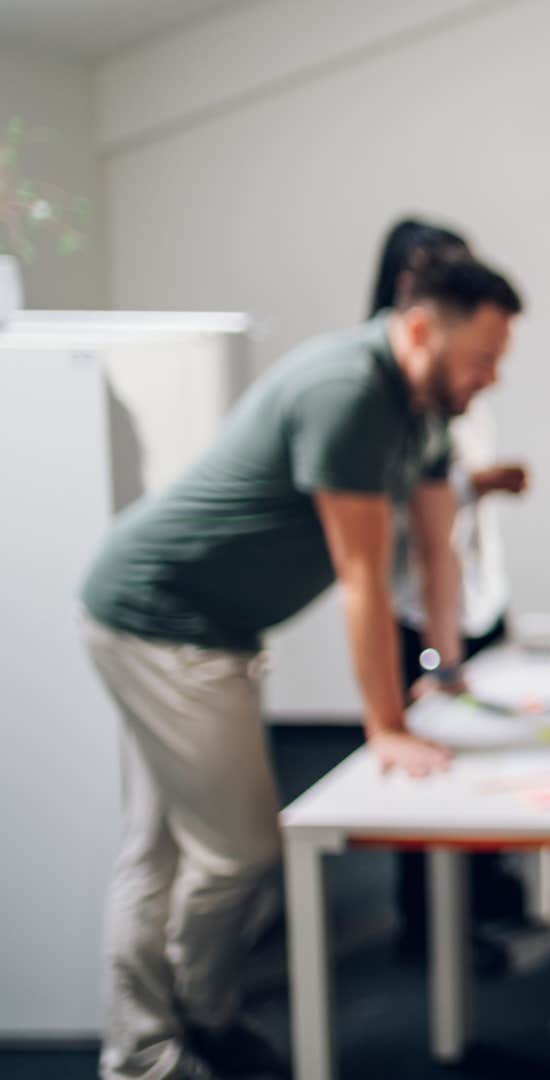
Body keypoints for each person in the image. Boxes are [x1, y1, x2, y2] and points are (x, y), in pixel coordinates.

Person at [80, 258, 523, 1079]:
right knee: (236, 850)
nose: (491, 376)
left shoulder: (424, 409)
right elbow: (360, 577)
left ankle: (149, 1044)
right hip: (164, 618)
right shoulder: (348, 390)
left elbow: (433, 550)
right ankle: (185, 1028)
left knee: (164, 845)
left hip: (213, 628)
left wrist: (447, 669)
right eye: (483, 357)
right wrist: (385, 728)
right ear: (422, 329)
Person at [368, 219, 531, 964]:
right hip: (418, 605)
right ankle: (428, 929)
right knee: (425, 763)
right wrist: (433, 659)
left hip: (466, 599)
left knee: (480, 755)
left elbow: (442, 542)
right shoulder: (378, 398)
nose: (492, 374)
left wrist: (451, 650)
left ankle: (480, 897)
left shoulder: (447, 401)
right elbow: (391, 551)